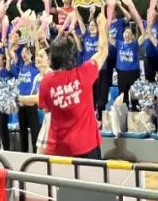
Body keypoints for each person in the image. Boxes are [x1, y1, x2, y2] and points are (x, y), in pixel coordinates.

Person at [38, 16, 112, 161]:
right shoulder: (84, 73)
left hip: (59, 148)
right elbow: (103, 51)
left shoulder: (46, 81)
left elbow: (46, 109)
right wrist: (102, 26)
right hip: (87, 146)